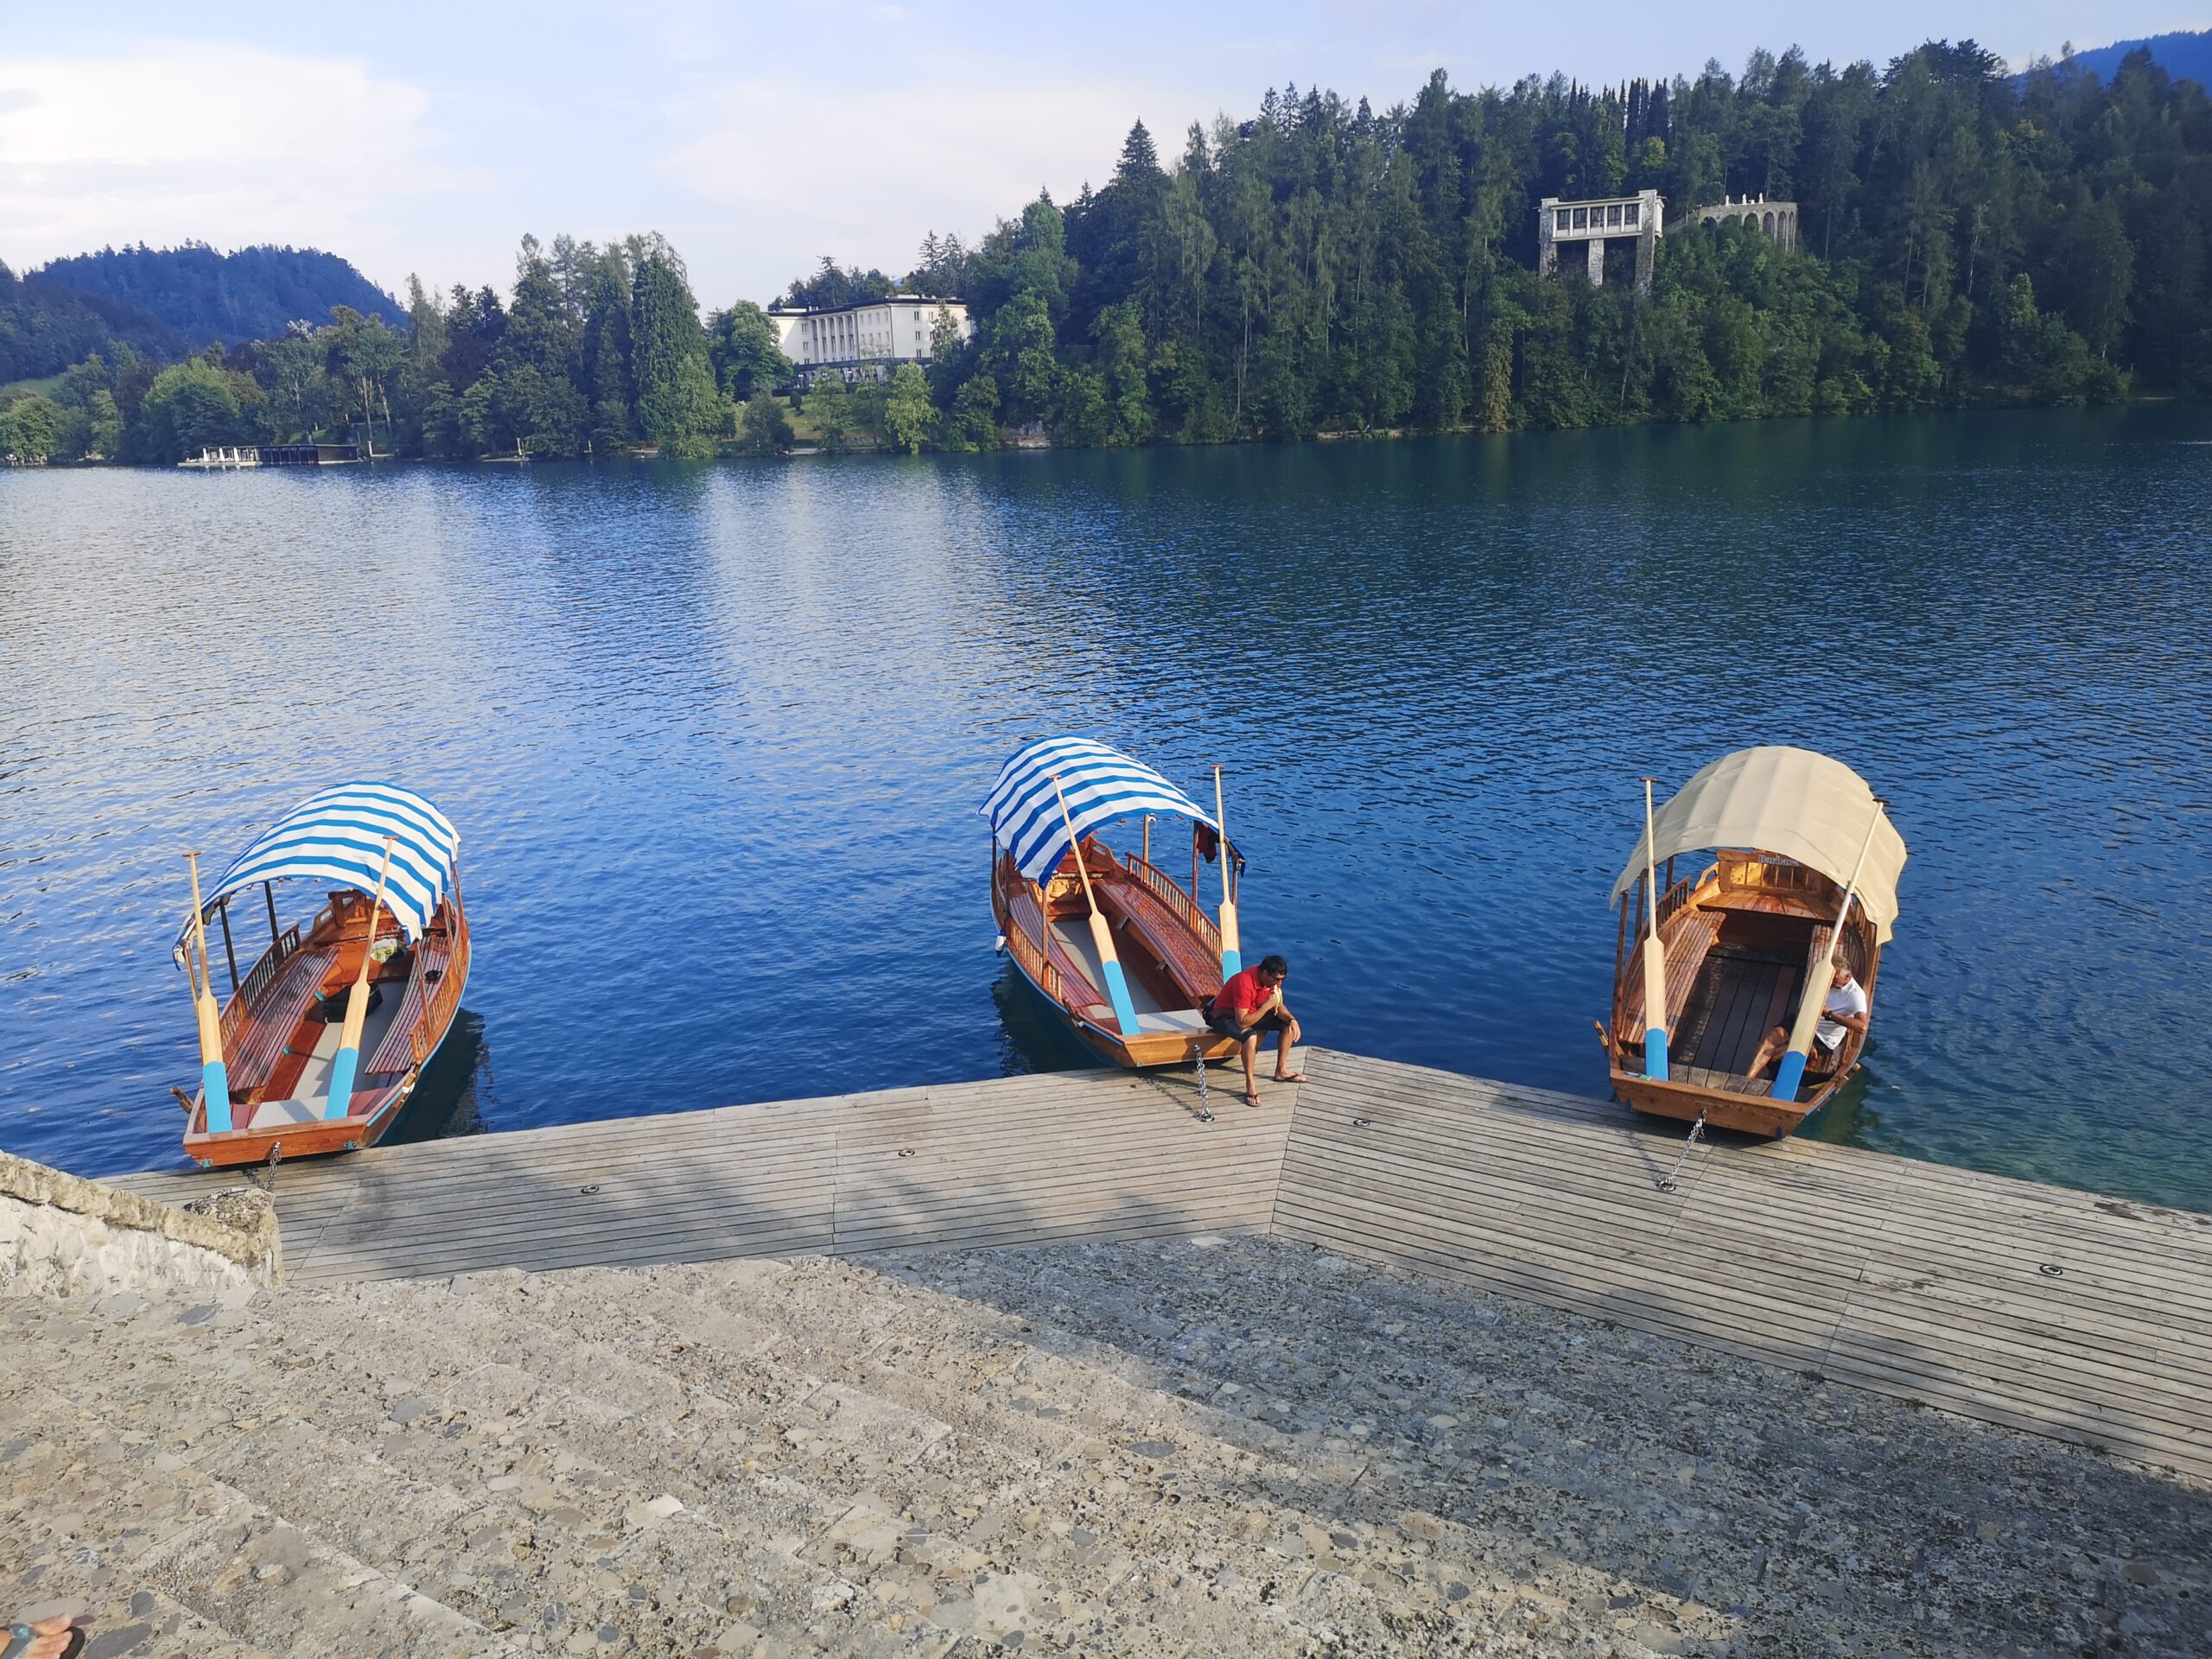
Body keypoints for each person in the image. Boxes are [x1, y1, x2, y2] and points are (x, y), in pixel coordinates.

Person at [1205, 953, 1304, 1107]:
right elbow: (1242, 1023)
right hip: (1224, 1017)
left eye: (1281, 980)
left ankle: (1281, 1070)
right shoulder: (1244, 982)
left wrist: (1292, 1019)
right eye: (1276, 979)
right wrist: (1267, 1005)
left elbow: (1277, 1005)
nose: (1278, 983)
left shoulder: (1272, 981)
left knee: (1287, 1026)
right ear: (1264, 973)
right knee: (1250, 1036)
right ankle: (1250, 1085)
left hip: (1252, 1013)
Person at [1748, 960, 1871, 1079]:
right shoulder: (1823, 979)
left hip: (1822, 1037)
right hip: (1804, 1021)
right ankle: (1747, 1080)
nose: (1829, 981)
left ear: (1847, 977)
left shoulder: (1855, 995)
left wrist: (1828, 1014)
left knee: (1777, 1055)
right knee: (1770, 1039)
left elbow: (1862, 1027)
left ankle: (1775, 1079)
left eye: (1834, 978)